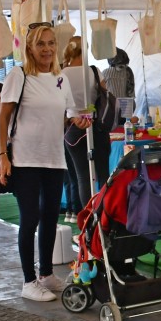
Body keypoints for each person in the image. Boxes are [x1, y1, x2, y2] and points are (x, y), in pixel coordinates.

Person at [0, 23, 92, 302]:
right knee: (30, 219)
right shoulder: (19, 75)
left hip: (54, 157)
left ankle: (47, 275)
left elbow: (65, 113)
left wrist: (76, 119)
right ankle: (28, 281)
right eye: (41, 44)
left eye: (51, 43)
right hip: (25, 158)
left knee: (50, 217)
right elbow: (3, 118)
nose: (47, 49)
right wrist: (3, 156)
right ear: (30, 47)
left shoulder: (60, 78)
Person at [61, 36, 112, 213]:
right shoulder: (94, 71)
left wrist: (72, 116)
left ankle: (88, 217)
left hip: (73, 129)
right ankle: (105, 214)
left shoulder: (62, 74)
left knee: (83, 176)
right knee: (104, 175)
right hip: (95, 125)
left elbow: (59, 103)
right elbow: (105, 97)